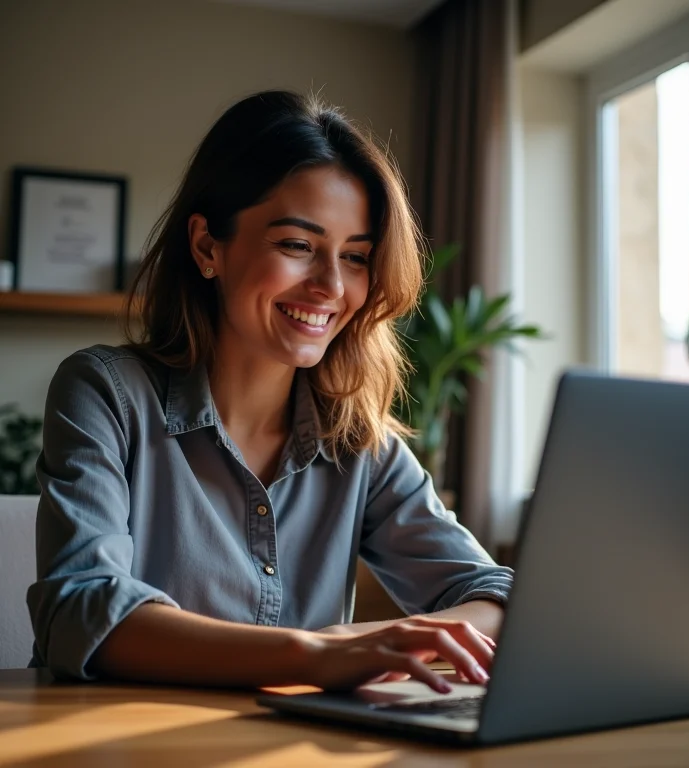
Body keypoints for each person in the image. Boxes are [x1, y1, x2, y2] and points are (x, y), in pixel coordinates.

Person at [27, 91, 513, 693]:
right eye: (297, 245)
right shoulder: (105, 393)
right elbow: (80, 614)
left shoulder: (358, 440)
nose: (332, 286)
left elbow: (498, 595)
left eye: (356, 257)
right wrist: (317, 654)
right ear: (208, 246)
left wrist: (372, 643)